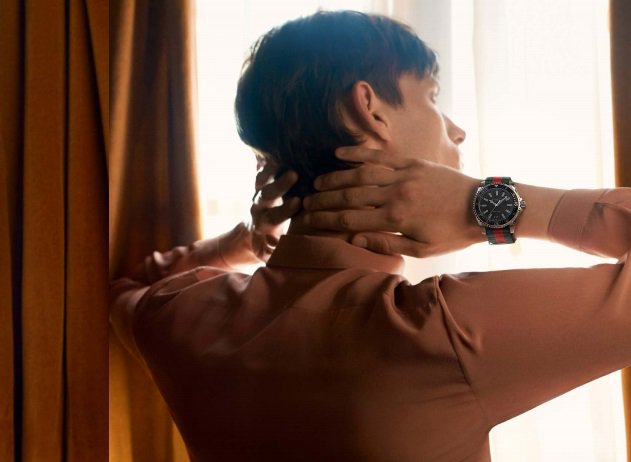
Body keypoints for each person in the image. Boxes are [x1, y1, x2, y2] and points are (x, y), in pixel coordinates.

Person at [110, 10, 631, 462]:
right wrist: (484, 203)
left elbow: (124, 287)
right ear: (369, 107)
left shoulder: (182, 316)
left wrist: (244, 241)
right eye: (432, 96)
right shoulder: (439, 329)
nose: (457, 130)